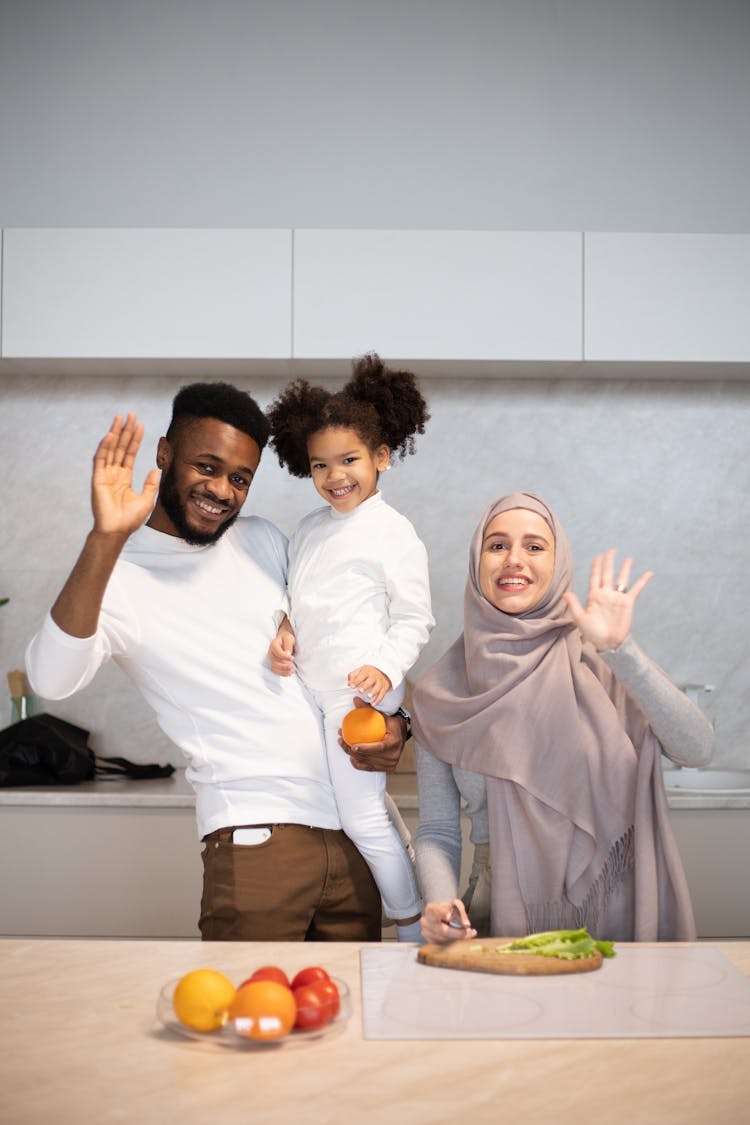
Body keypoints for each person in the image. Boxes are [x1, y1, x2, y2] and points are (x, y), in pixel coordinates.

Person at [25, 382, 411, 942]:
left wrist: (398, 725)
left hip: (355, 838)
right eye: (206, 466)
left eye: (239, 478)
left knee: (352, 1023)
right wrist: (106, 537)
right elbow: (49, 678)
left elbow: (349, 641)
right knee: (248, 1023)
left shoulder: (264, 541)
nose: (221, 490)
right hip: (258, 840)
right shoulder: (119, 577)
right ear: (164, 454)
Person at [413, 491, 714, 945]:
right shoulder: (442, 692)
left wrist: (622, 651)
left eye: (534, 547)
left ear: (557, 564)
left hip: (617, 908)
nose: (514, 559)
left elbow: (697, 749)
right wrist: (438, 901)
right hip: (498, 913)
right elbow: (437, 829)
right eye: (497, 546)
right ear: (477, 563)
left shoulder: (601, 659)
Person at [265, 354, 434, 943]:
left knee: (357, 815)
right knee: (362, 805)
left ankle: (412, 928)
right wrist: (284, 628)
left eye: (350, 460)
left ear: (382, 458)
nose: (336, 475)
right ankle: (413, 880)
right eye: (320, 465)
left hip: (360, 698)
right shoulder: (309, 529)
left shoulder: (394, 532)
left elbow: (416, 618)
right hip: (312, 696)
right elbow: (293, 598)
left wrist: (385, 669)